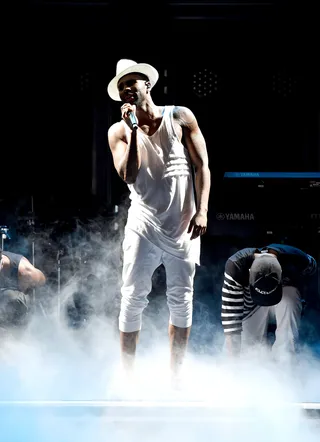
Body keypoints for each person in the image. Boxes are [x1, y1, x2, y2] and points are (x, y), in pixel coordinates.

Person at [107, 59, 211, 378]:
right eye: (122, 86)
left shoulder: (180, 115)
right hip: (143, 226)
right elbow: (128, 174)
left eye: (132, 83)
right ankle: (127, 376)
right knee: (133, 297)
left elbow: (202, 166)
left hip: (182, 227)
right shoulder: (119, 131)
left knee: (181, 299)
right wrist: (135, 129)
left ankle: (176, 377)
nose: (127, 89)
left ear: (146, 85)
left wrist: (203, 209)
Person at [221, 243, 317, 361]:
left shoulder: (297, 259)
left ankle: (286, 360)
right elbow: (231, 319)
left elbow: (312, 270)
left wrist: (300, 298)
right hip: (251, 310)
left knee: (291, 295)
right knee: (245, 356)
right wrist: (233, 364)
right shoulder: (236, 266)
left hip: (281, 299)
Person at [0, 248, 46, 332]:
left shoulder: (25, 271)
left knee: (11, 296)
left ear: (1, 261)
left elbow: (41, 280)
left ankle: (13, 337)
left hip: (17, 303)